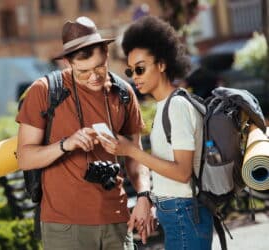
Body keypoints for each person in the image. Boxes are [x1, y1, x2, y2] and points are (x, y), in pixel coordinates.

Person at [16, 16, 151, 250]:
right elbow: (25, 157)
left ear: (106, 53)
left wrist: (144, 196)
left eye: (100, 67)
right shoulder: (44, 91)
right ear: (68, 62)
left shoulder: (124, 93)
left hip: (116, 221)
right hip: (64, 226)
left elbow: (136, 156)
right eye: (84, 71)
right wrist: (65, 144)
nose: (94, 77)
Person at [99, 16, 214, 250]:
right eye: (131, 71)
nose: (135, 77)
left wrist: (130, 150)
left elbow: (182, 172)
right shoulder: (166, 105)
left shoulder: (178, 107)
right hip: (176, 213)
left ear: (162, 64)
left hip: (184, 214)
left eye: (140, 68)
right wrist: (151, 201)